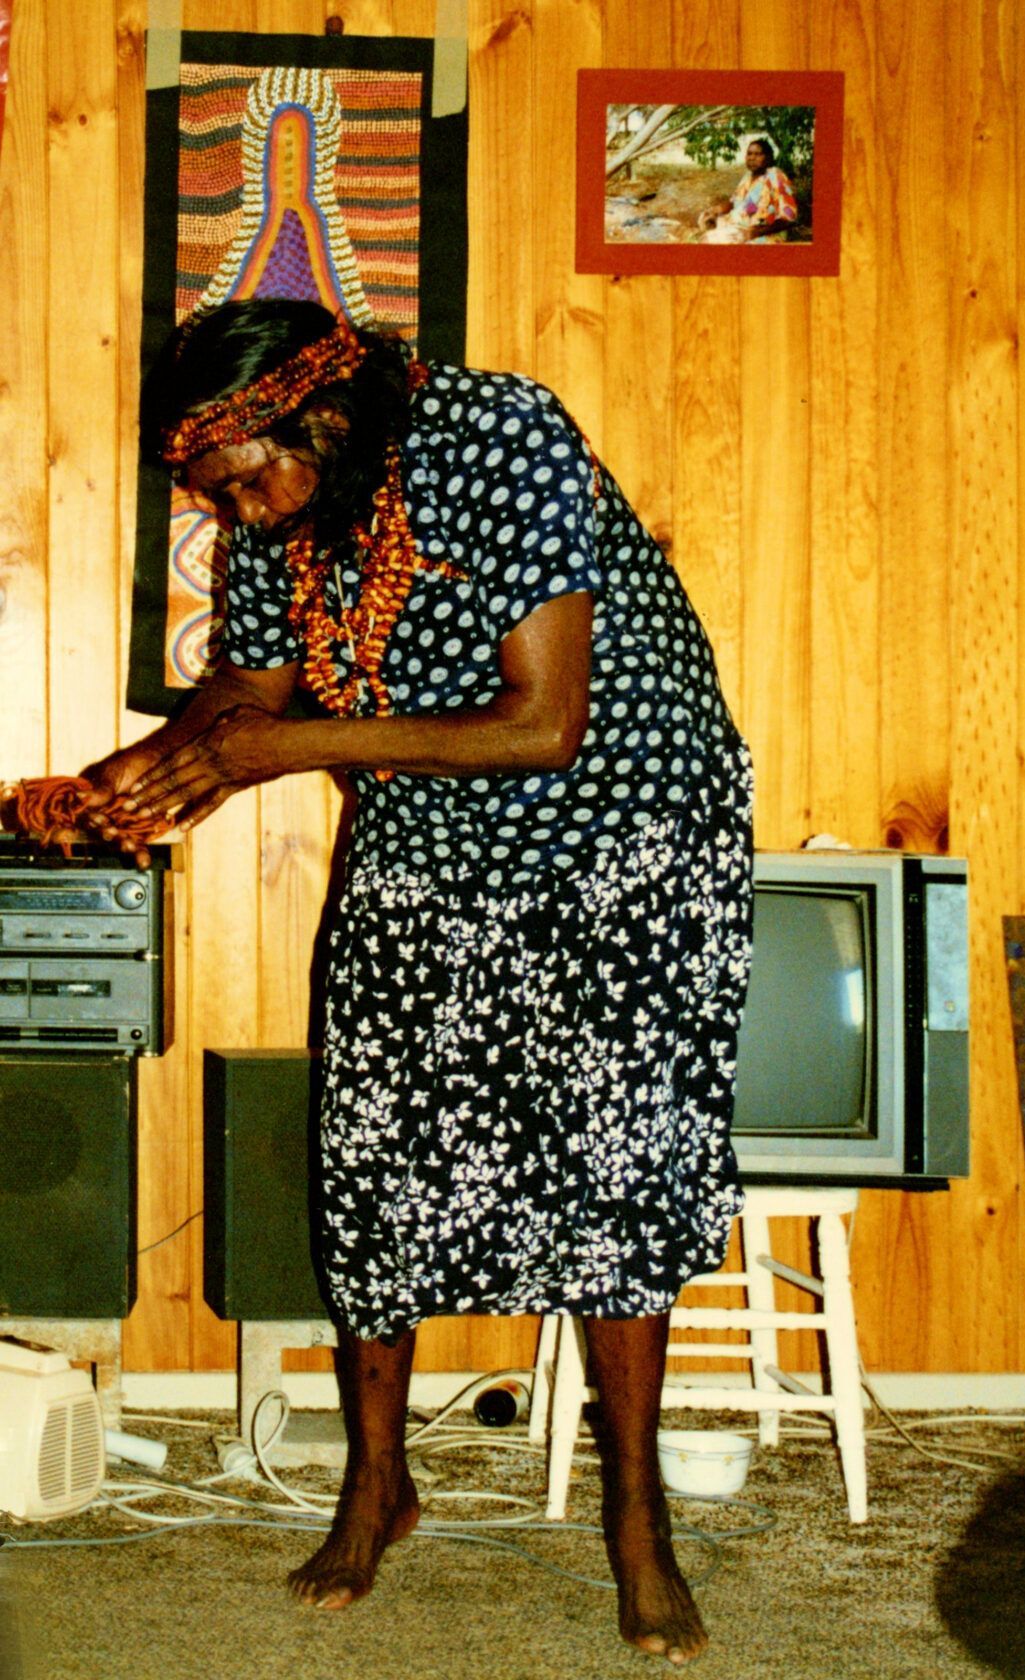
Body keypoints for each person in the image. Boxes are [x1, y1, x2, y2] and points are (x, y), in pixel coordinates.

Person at [86, 299, 753, 1665]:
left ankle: (637, 1522)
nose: (237, 511)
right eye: (215, 495)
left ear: (320, 416)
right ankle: (377, 1485)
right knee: (375, 1154)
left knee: (611, 1168)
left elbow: (542, 722)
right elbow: (254, 687)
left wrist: (279, 752)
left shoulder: (499, 433)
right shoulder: (279, 510)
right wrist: (133, 778)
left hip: (619, 827)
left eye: (242, 479)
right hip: (424, 829)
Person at [700, 138, 798, 244]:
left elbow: (789, 219)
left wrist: (753, 233)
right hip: (739, 228)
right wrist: (716, 210)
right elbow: (734, 202)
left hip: (764, 235)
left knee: (709, 241)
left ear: (768, 158)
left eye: (757, 154)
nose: (752, 158)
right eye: (749, 154)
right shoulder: (748, 177)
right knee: (705, 225)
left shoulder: (776, 177)